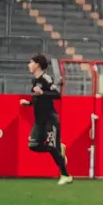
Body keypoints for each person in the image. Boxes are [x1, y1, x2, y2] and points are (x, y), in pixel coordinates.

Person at [20, 53, 71, 184]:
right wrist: (29, 103)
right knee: (33, 145)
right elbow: (37, 98)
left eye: (31, 62)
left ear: (37, 65)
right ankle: (59, 151)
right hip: (39, 121)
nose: (29, 65)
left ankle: (65, 175)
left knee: (51, 145)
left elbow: (57, 94)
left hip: (50, 119)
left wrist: (42, 92)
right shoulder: (34, 81)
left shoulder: (46, 78)